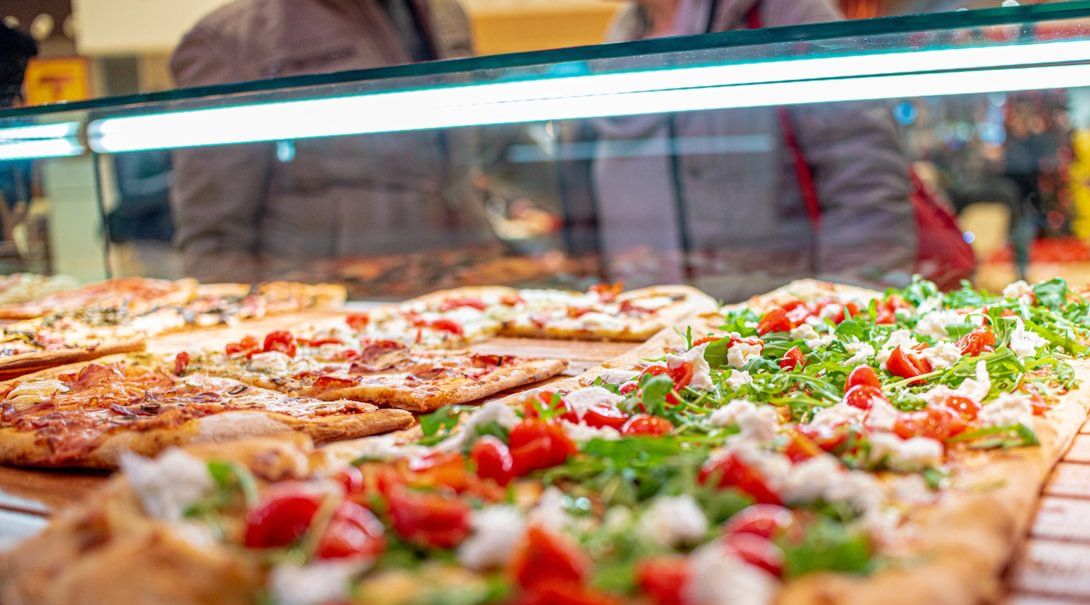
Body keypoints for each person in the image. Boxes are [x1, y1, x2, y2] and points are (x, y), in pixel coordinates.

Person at [589, 0, 917, 301]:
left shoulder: (784, 11)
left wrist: (846, 325)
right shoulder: (621, 34)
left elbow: (866, 188)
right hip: (653, 334)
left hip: (779, 341)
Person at [169, 0, 491, 282]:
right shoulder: (233, 38)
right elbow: (214, 243)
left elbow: (489, 143)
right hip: (331, 317)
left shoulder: (444, 12)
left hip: (464, 294)